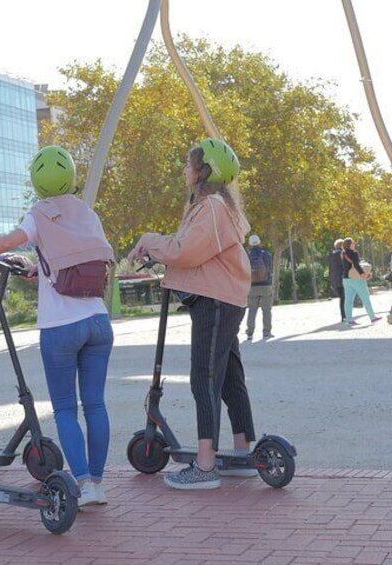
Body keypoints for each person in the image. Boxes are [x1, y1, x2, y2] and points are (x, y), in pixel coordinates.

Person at [0, 146, 114, 507]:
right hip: (98, 321)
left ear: (36, 181)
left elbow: (11, 242)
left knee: (64, 408)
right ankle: (100, 483)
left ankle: (85, 484)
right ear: (71, 177)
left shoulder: (40, 213)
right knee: (95, 404)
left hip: (61, 327)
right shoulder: (88, 214)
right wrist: (35, 271)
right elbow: (69, 265)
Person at [128, 138, 256, 490]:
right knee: (229, 377)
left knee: (204, 378)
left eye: (189, 164)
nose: (185, 170)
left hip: (214, 300)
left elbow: (185, 251)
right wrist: (156, 247)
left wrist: (148, 239)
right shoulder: (215, 208)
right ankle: (243, 451)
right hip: (222, 297)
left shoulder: (211, 207)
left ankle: (205, 466)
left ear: (204, 171)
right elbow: (191, 248)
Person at [341, 237, 381, 326]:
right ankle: (372, 317)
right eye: (353, 243)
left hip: (346, 279)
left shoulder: (343, 254)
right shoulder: (354, 253)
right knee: (365, 298)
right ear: (350, 245)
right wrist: (363, 274)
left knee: (348, 300)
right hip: (356, 279)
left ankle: (349, 320)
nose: (354, 244)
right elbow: (356, 264)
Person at [245, 234, 274, 341]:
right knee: (266, 310)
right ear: (259, 242)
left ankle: (250, 333)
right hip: (266, 286)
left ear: (250, 244)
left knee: (252, 310)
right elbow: (269, 268)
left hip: (252, 286)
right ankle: (267, 332)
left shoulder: (247, 255)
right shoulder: (266, 254)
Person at [327, 239, 346, 322]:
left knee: (342, 298)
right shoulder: (342, 253)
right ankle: (345, 315)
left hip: (334, 279)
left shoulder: (331, 254)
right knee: (345, 298)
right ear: (342, 245)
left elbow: (330, 268)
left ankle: (344, 316)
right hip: (343, 278)